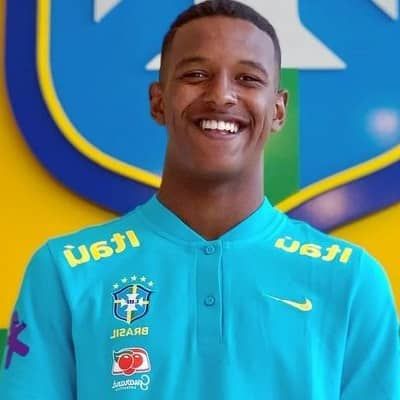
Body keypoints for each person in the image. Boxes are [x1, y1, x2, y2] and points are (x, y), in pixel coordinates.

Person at [1, 1, 399, 398]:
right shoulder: (66, 271)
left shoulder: (352, 281)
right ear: (158, 101)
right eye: (196, 74)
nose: (221, 95)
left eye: (247, 78)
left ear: (278, 110)